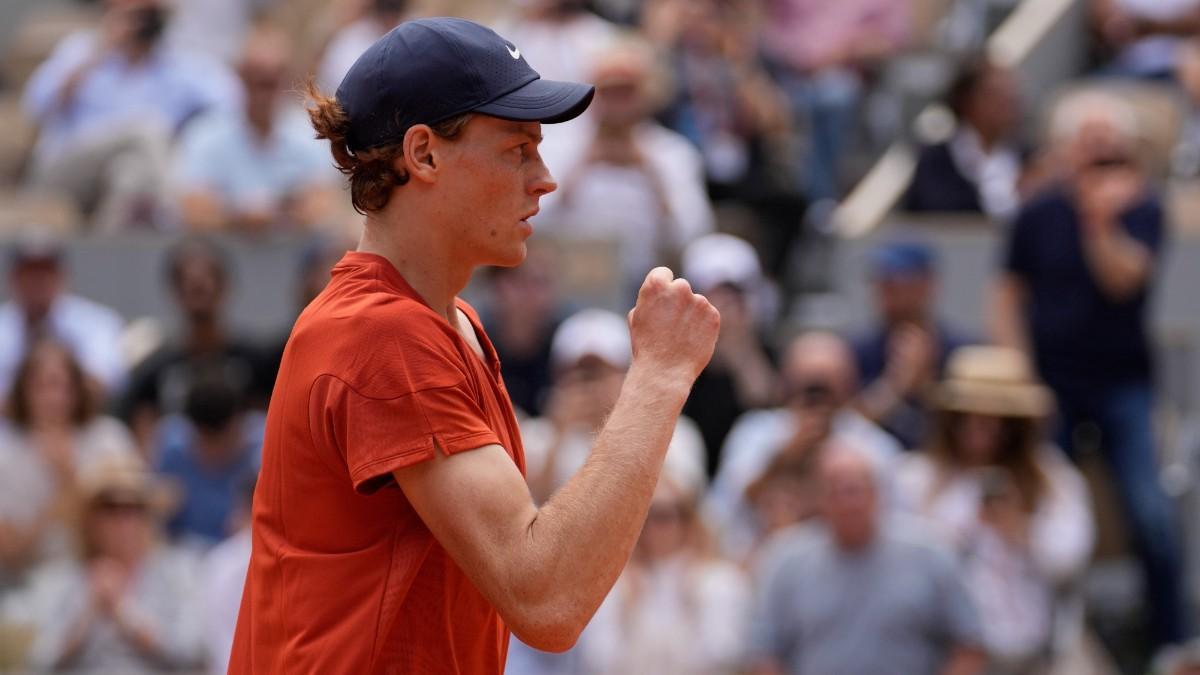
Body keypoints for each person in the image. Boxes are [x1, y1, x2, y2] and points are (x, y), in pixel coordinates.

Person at [229, 18, 720, 674]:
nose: (545, 178)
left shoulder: (442, 319)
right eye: (518, 148)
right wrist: (659, 377)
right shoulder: (385, 334)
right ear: (424, 154)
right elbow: (546, 597)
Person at [992, 91, 1191, 648]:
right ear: (1066, 149)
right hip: (1052, 383)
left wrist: (1098, 220)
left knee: (1150, 514)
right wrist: (1022, 379)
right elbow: (1007, 295)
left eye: (1110, 144)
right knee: (1043, 515)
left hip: (1123, 383)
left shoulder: (1144, 208)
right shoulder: (1034, 212)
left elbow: (1124, 279)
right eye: (1089, 141)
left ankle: (1172, 643)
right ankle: (1053, 637)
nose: (1099, 153)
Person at [896, 346, 1095, 672]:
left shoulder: (1054, 479)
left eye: (995, 419)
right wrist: (961, 524)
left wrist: (1019, 530)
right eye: (968, 416)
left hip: (1037, 656)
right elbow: (906, 565)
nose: (980, 428)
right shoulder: (916, 478)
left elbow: (1069, 557)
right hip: (948, 658)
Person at [747, 443, 986, 675]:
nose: (847, 503)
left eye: (854, 490)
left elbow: (969, 643)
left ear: (877, 492)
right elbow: (763, 652)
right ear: (817, 498)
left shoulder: (931, 551)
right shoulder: (786, 560)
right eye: (834, 491)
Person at [21, 0, 241, 231]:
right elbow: (36, 106)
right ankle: (173, 210)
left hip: (133, 170)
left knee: (130, 174)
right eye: (136, 14)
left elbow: (232, 103)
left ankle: (105, 245)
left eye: (150, 14)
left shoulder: (179, 64)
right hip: (65, 169)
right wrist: (103, 48)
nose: (142, 23)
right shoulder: (82, 49)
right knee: (147, 130)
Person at [536, 37, 716, 293]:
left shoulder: (672, 153)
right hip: (567, 282)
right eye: (609, 92)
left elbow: (694, 234)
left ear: (647, 94)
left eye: (627, 93)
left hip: (646, 282)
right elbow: (532, 222)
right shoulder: (559, 146)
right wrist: (580, 169)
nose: (617, 104)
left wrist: (652, 177)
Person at [707, 331, 901, 559]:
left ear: (848, 386)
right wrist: (783, 459)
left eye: (826, 388)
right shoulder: (754, 433)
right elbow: (721, 512)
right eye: (808, 386)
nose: (816, 400)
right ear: (786, 383)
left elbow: (894, 521)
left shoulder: (872, 445)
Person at [15, 453, 205, 672]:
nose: (123, 521)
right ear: (90, 521)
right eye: (109, 509)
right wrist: (88, 612)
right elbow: (38, 661)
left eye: (133, 508)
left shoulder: (176, 571)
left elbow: (192, 651)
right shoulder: (65, 577)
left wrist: (124, 612)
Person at [520, 308, 707, 504]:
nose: (591, 387)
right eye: (581, 375)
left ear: (629, 374)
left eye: (602, 374)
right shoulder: (536, 436)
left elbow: (681, 510)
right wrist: (558, 435)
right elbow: (532, 514)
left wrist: (626, 421)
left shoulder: (674, 431)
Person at [571, 475, 750, 674]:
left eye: (665, 515)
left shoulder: (718, 580)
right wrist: (628, 612)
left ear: (687, 518)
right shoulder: (612, 584)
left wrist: (692, 605)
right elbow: (598, 661)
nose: (653, 527)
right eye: (645, 515)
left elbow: (722, 655)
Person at [174, 24, 340, 233]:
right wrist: (241, 217)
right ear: (240, 78)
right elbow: (192, 209)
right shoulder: (205, 134)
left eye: (270, 82)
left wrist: (268, 215)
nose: (262, 94)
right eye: (255, 81)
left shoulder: (308, 134)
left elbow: (323, 207)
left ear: (285, 80)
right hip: (223, 259)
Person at [0, 341, 138, 586]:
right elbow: (10, 553)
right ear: (23, 391)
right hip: (28, 586)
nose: (53, 398)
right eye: (42, 386)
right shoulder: (6, 453)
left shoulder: (108, 439)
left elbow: (133, 524)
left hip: (105, 578)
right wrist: (59, 496)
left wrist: (70, 476)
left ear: (78, 390)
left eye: (62, 386)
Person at [118, 237, 274, 451]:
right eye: (188, 283)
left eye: (207, 281)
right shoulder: (153, 373)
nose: (198, 287)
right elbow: (145, 444)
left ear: (225, 286)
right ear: (174, 291)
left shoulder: (259, 364)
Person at [852, 240, 974, 450]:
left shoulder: (963, 354)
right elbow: (845, 431)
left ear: (928, 285)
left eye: (896, 278)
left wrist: (926, 387)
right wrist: (896, 385)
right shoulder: (856, 352)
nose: (885, 287)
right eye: (880, 278)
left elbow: (974, 435)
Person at [680, 233, 779, 475]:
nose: (721, 308)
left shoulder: (769, 353)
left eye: (733, 296)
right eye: (711, 296)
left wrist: (738, 347)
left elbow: (766, 404)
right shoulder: (675, 357)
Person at [0, 235, 127, 398]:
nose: (38, 281)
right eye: (29, 273)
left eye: (45, 273)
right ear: (13, 279)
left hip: (79, 420)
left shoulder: (96, 321)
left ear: (62, 276)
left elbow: (106, 378)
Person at [904, 56, 1024, 221]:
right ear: (967, 100)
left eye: (1011, 96)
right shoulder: (936, 161)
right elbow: (938, 214)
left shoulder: (1028, 157)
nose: (1009, 105)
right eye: (997, 95)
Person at [155, 372, 261, 549]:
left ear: (237, 425)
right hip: (187, 557)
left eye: (223, 441)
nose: (216, 452)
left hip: (242, 554)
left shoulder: (262, 447)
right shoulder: (171, 448)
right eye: (207, 442)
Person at [480, 241, 564, 417]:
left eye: (541, 282)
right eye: (520, 281)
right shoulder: (476, 342)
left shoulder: (567, 340)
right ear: (497, 285)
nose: (532, 293)